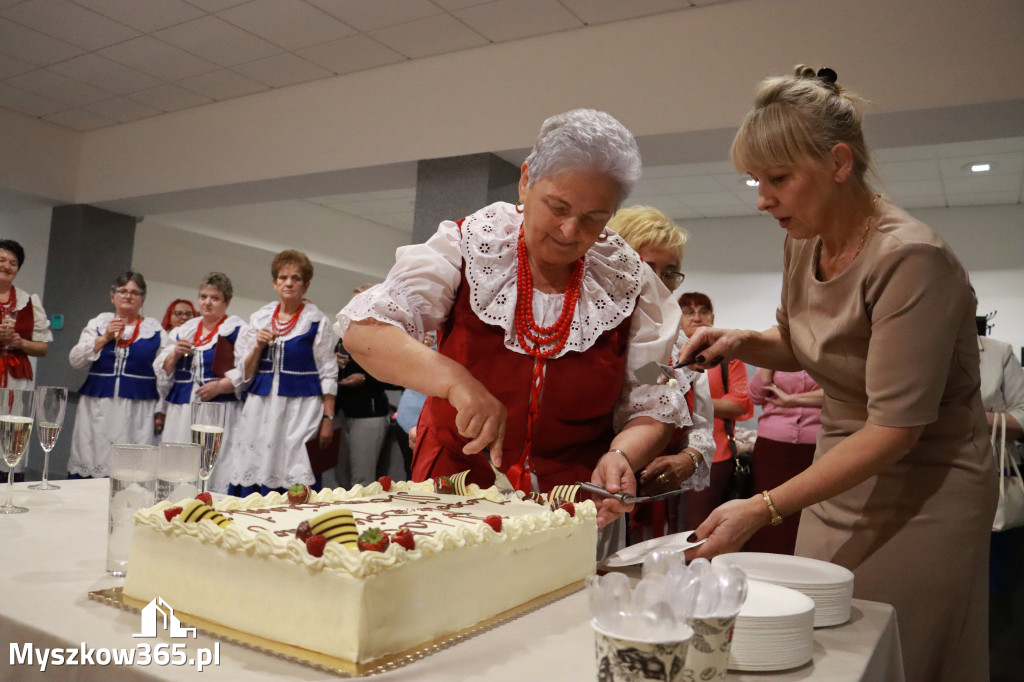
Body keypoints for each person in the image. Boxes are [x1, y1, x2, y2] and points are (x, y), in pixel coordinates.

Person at [680, 65, 997, 681]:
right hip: (838, 477)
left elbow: (897, 428)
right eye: (756, 179)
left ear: (840, 163)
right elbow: (803, 341)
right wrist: (744, 340)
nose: (762, 198)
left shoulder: (911, 258)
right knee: (824, 640)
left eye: (778, 179)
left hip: (924, 487)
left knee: (894, 646)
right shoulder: (805, 238)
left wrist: (763, 506)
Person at [337, 109, 686, 538]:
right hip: (454, 488)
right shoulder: (469, 245)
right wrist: (455, 382)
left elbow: (658, 398)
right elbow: (364, 330)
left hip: (573, 503)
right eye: (557, 206)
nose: (569, 229)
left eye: (594, 218)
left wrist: (622, 455)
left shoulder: (631, 283)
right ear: (525, 180)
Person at [607, 206, 714, 540]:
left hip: (651, 506)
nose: (656, 280)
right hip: (587, 492)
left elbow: (701, 423)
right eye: (645, 265)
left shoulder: (680, 347)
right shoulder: (589, 332)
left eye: (669, 272)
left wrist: (690, 458)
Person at [228, 250, 338, 495]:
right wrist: (257, 345)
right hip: (260, 406)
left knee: (295, 465)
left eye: (296, 278)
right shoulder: (260, 318)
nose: (289, 283)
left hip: (301, 409)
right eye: (283, 277)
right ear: (275, 283)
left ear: (306, 285)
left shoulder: (317, 322)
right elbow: (244, 373)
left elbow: (328, 373)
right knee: (254, 461)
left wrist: (328, 419)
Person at [68, 271, 169, 478]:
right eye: (122, 291)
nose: (128, 296)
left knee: (130, 464)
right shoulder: (98, 324)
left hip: (137, 410)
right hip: (97, 406)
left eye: (135, 292)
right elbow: (75, 360)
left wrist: (161, 411)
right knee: (92, 455)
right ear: (112, 297)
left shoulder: (155, 330)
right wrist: (105, 337)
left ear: (142, 300)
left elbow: (165, 376)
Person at [154, 273, 247, 493]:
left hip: (217, 409)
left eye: (214, 298)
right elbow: (161, 369)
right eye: (203, 296)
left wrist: (221, 385)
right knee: (177, 460)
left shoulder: (237, 329)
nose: (207, 302)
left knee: (212, 461)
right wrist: (175, 354)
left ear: (227, 302)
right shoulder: (185, 329)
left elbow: (247, 371)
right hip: (182, 407)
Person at [676, 292, 753, 533]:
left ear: (713, 317)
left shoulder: (729, 358)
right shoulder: (663, 351)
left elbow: (740, 403)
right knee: (668, 528)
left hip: (714, 455)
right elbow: (642, 391)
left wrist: (688, 404)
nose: (697, 317)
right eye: (688, 311)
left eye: (703, 311)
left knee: (699, 529)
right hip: (664, 452)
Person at [745, 369, 822, 554]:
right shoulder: (775, 355)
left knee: (807, 514)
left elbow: (840, 394)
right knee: (766, 512)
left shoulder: (824, 355)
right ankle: (763, 571)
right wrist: (767, 366)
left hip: (817, 443)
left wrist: (792, 400)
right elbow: (755, 396)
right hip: (773, 443)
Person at [0, 239, 52, 482]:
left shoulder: (29, 301)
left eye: (13, 262)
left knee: (13, 434)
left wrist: (20, 343)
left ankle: (9, 485)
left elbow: (43, 348)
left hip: (16, 378)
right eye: (2, 260)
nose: (7, 266)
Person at [154, 298, 197, 437]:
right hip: (162, 400)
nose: (183, 318)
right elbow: (161, 381)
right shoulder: (164, 340)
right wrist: (160, 412)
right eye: (178, 313)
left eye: (188, 314)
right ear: (169, 316)